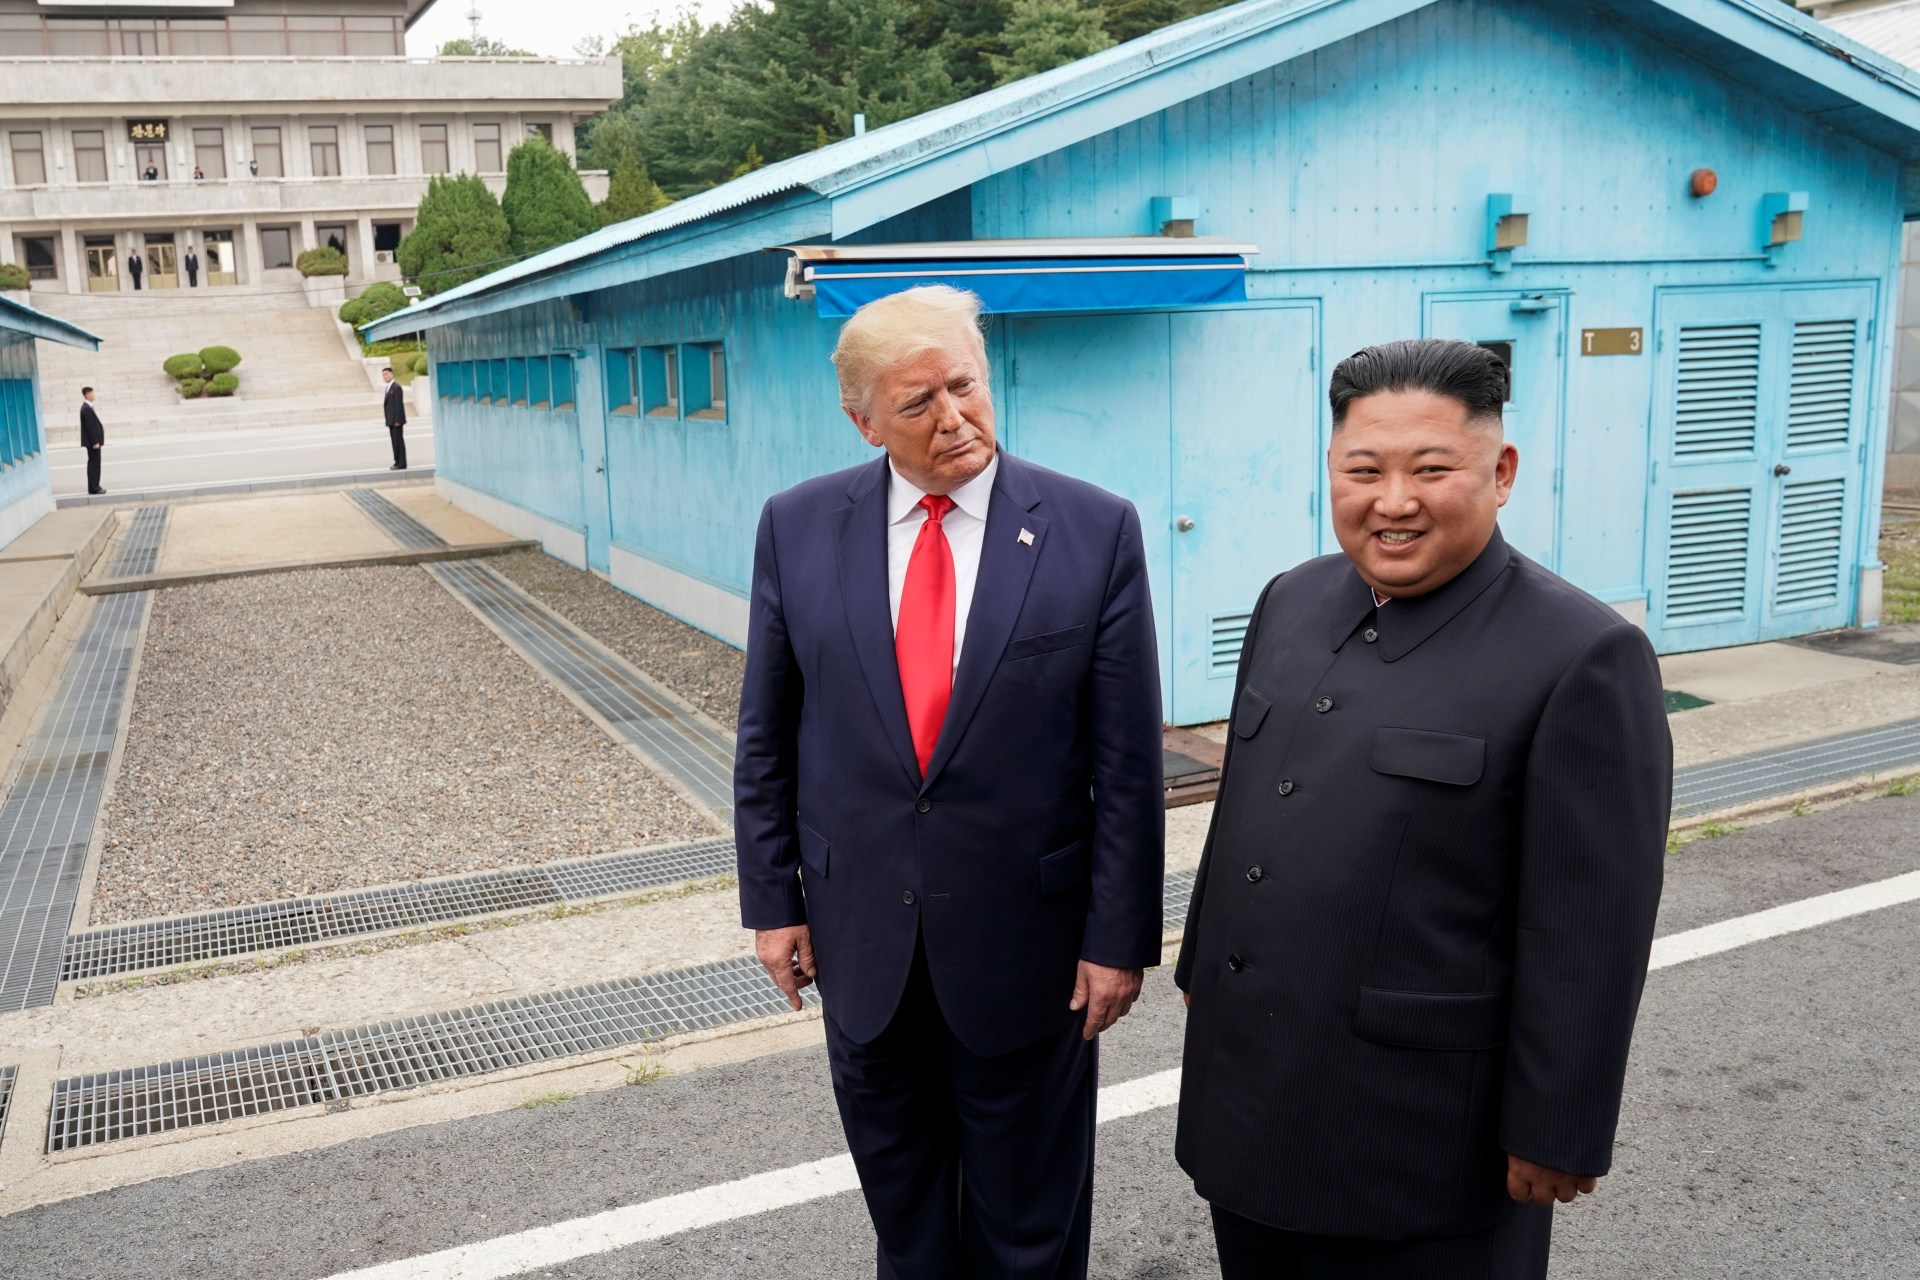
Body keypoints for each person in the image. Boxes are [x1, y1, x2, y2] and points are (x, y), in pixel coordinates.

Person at [1175, 339, 1671, 1280]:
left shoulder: (1580, 655)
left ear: (1501, 471)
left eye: (1430, 469)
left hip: (1424, 1134)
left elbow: (1592, 922)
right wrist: (1202, 962)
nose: (1392, 500)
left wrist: (1559, 1121)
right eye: (1363, 470)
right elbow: (1250, 799)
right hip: (1249, 1099)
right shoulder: (1290, 599)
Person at [734, 284, 1165, 1278]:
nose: (954, 417)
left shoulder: (1091, 528)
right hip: (861, 939)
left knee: (1030, 1225)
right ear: (864, 420)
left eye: (964, 385)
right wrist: (773, 902)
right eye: (917, 402)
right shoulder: (797, 527)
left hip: (1033, 945)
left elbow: (1127, 761)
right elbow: (769, 735)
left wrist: (1116, 936)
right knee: (908, 1216)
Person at [79, 387, 105, 495]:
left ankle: (95, 486)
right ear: (87, 395)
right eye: (92, 393)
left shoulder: (88, 407)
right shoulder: (86, 409)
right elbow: (90, 427)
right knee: (94, 465)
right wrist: (95, 442)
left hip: (93, 442)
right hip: (93, 443)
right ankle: (94, 488)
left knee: (95, 464)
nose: (94, 394)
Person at [382, 367, 406, 470]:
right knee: (394, 442)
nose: (385, 376)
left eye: (386, 374)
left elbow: (398, 405)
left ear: (392, 374)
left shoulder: (396, 387)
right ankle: (397, 462)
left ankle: (401, 463)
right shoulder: (388, 387)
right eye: (383, 375)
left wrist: (397, 420)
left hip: (396, 421)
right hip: (391, 421)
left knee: (398, 442)